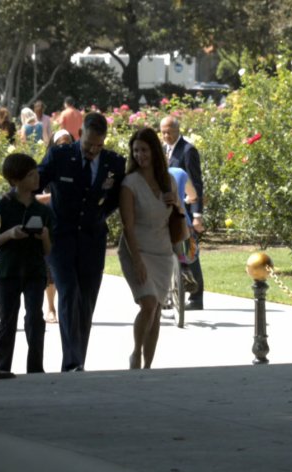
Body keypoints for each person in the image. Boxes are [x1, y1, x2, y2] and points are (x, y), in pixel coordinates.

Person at [38, 112, 126, 372]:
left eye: (98, 145)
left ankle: (78, 360)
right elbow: (35, 181)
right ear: (80, 135)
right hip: (61, 238)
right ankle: (71, 361)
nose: (92, 151)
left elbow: (116, 197)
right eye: (88, 145)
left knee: (86, 300)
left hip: (92, 239)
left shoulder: (113, 163)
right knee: (68, 293)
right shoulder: (60, 156)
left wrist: (99, 215)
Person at [118, 127, 182, 369]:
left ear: (154, 151)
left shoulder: (168, 181)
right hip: (137, 250)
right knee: (148, 304)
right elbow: (128, 226)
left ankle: (148, 366)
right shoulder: (130, 183)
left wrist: (176, 203)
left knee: (156, 309)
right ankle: (136, 354)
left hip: (162, 252)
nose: (140, 155)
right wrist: (137, 261)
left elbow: (177, 216)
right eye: (136, 151)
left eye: (144, 150)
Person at [0, 153, 53, 374]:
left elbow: (48, 250)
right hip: (8, 272)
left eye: (36, 173)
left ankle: (35, 367)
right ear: (15, 180)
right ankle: (1, 366)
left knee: (35, 318)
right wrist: (10, 234)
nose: (36, 178)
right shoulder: (2, 207)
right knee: (7, 320)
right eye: (30, 175)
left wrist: (44, 236)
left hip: (35, 271)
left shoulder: (42, 210)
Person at [160, 116, 205, 310]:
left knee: (190, 254)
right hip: (164, 214)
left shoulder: (188, 150)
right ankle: (169, 295)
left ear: (178, 131)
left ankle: (196, 298)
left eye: (169, 132)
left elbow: (196, 184)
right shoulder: (162, 149)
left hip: (184, 212)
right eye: (163, 132)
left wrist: (197, 215)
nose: (166, 136)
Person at [38, 129, 75, 324]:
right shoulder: (47, 167)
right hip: (50, 224)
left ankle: (66, 307)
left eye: (68, 142)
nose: (64, 146)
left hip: (71, 225)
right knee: (49, 269)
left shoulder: (78, 166)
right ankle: (51, 308)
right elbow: (33, 195)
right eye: (60, 142)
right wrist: (54, 197)